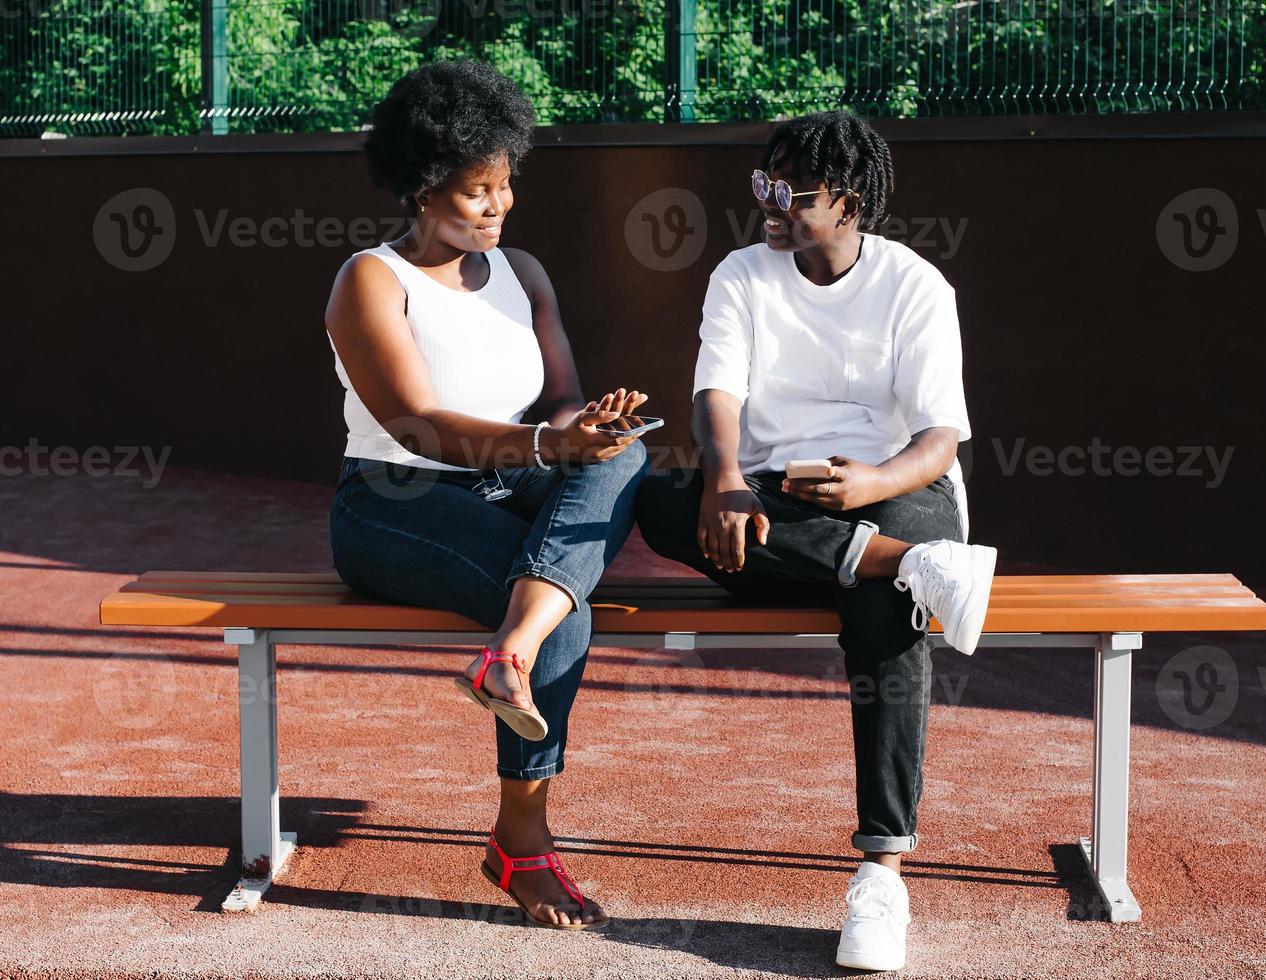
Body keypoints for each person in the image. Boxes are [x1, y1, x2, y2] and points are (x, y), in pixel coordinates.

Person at [635, 110, 998, 970]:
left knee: (882, 603)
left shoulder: (916, 287)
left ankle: (881, 875)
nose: (770, 202)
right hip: (771, 503)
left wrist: (868, 486)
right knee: (655, 502)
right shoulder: (741, 274)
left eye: (793, 189)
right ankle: (917, 570)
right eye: (764, 182)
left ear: (852, 199)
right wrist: (724, 479)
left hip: (898, 490)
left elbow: (940, 440)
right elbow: (716, 394)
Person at [324, 60, 650, 930]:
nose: (499, 205)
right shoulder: (371, 279)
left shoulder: (524, 272)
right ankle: (524, 841)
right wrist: (553, 442)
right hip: (393, 503)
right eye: (477, 191)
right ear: (425, 186)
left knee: (627, 463)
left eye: (506, 185)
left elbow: (561, 399)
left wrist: (593, 428)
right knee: (560, 605)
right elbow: (415, 423)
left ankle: (507, 652)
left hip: (516, 484)